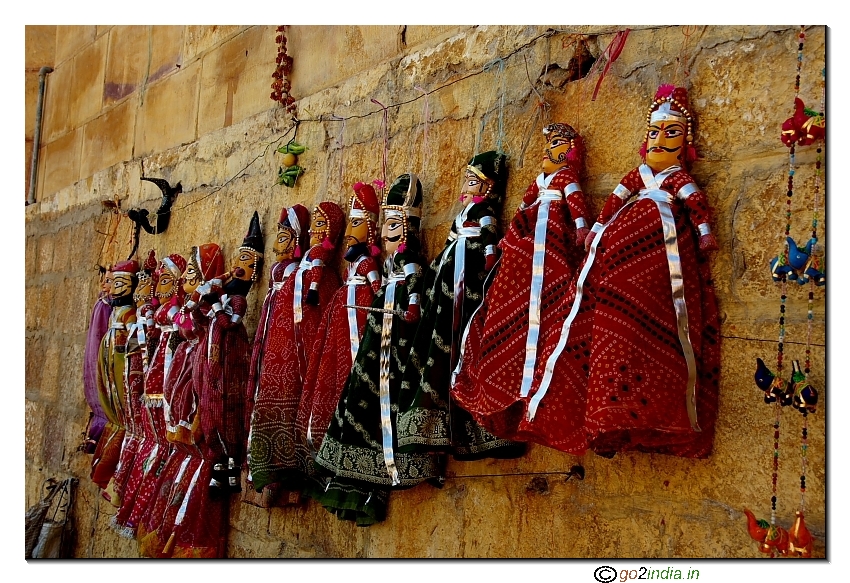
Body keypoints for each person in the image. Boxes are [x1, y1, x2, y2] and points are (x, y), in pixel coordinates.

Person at [531, 84, 720, 458]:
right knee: (606, 310)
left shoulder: (676, 180)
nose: (659, 140)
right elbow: (615, 200)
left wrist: (703, 232)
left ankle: (651, 409)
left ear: (686, 140)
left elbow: (696, 203)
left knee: (655, 315)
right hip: (620, 245)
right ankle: (605, 412)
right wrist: (597, 228)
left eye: (671, 132)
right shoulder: (639, 175)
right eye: (654, 132)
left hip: (664, 245)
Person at [452, 124, 591, 449]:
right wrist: (511, 235)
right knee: (506, 307)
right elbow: (523, 208)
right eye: (548, 143)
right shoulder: (539, 182)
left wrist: (583, 229)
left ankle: (536, 389)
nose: (548, 149)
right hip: (525, 251)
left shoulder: (566, 179)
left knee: (551, 307)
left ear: (571, 151)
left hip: (554, 244)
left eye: (557, 143)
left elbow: (577, 206)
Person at [315, 174, 440, 526]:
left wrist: (412, 306)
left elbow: (414, 284)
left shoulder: (408, 259)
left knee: (391, 390)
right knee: (364, 388)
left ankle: (393, 463)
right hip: (380, 324)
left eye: (394, 225)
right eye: (385, 224)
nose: (386, 232)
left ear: (408, 228)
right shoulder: (385, 263)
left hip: (396, 328)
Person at [398, 151, 524, 460]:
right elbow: (449, 243)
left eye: (472, 181)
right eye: (466, 181)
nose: (466, 187)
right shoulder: (462, 215)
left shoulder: (483, 211)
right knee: (438, 340)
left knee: (461, 339)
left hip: (468, 279)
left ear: (487, 187)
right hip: (447, 283)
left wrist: (490, 256)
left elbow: (490, 233)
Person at [247, 202, 344, 496]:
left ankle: (304, 462)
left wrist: (311, 291)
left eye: (321, 225)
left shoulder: (322, 273)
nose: (315, 231)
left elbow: (319, 299)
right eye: (313, 225)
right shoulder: (295, 272)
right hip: (282, 338)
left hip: (304, 336)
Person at [298, 183, 382, 499]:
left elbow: (376, 288)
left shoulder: (366, 264)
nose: (348, 232)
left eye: (356, 224)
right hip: (342, 317)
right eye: (348, 224)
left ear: (370, 229)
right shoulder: (349, 267)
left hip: (358, 317)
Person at [242, 204, 310, 505]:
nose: (276, 246)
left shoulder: (296, 275)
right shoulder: (278, 275)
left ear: (296, 241)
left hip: (283, 345)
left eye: (283, 238)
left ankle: (281, 476)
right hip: (269, 338)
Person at [91, 259, 139, 501]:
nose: (115, 288)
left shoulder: (129, 313)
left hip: (120, 358)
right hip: (109, 355)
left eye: (121, 283)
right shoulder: (113, 312)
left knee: (119, 393)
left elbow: (134, 339)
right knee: (109, 390)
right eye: (113, 283)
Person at [82, 266, 112, 453]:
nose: (103, 284)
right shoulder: (103, 305)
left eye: (109, 281)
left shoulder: (107, 306)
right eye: (104, 279)